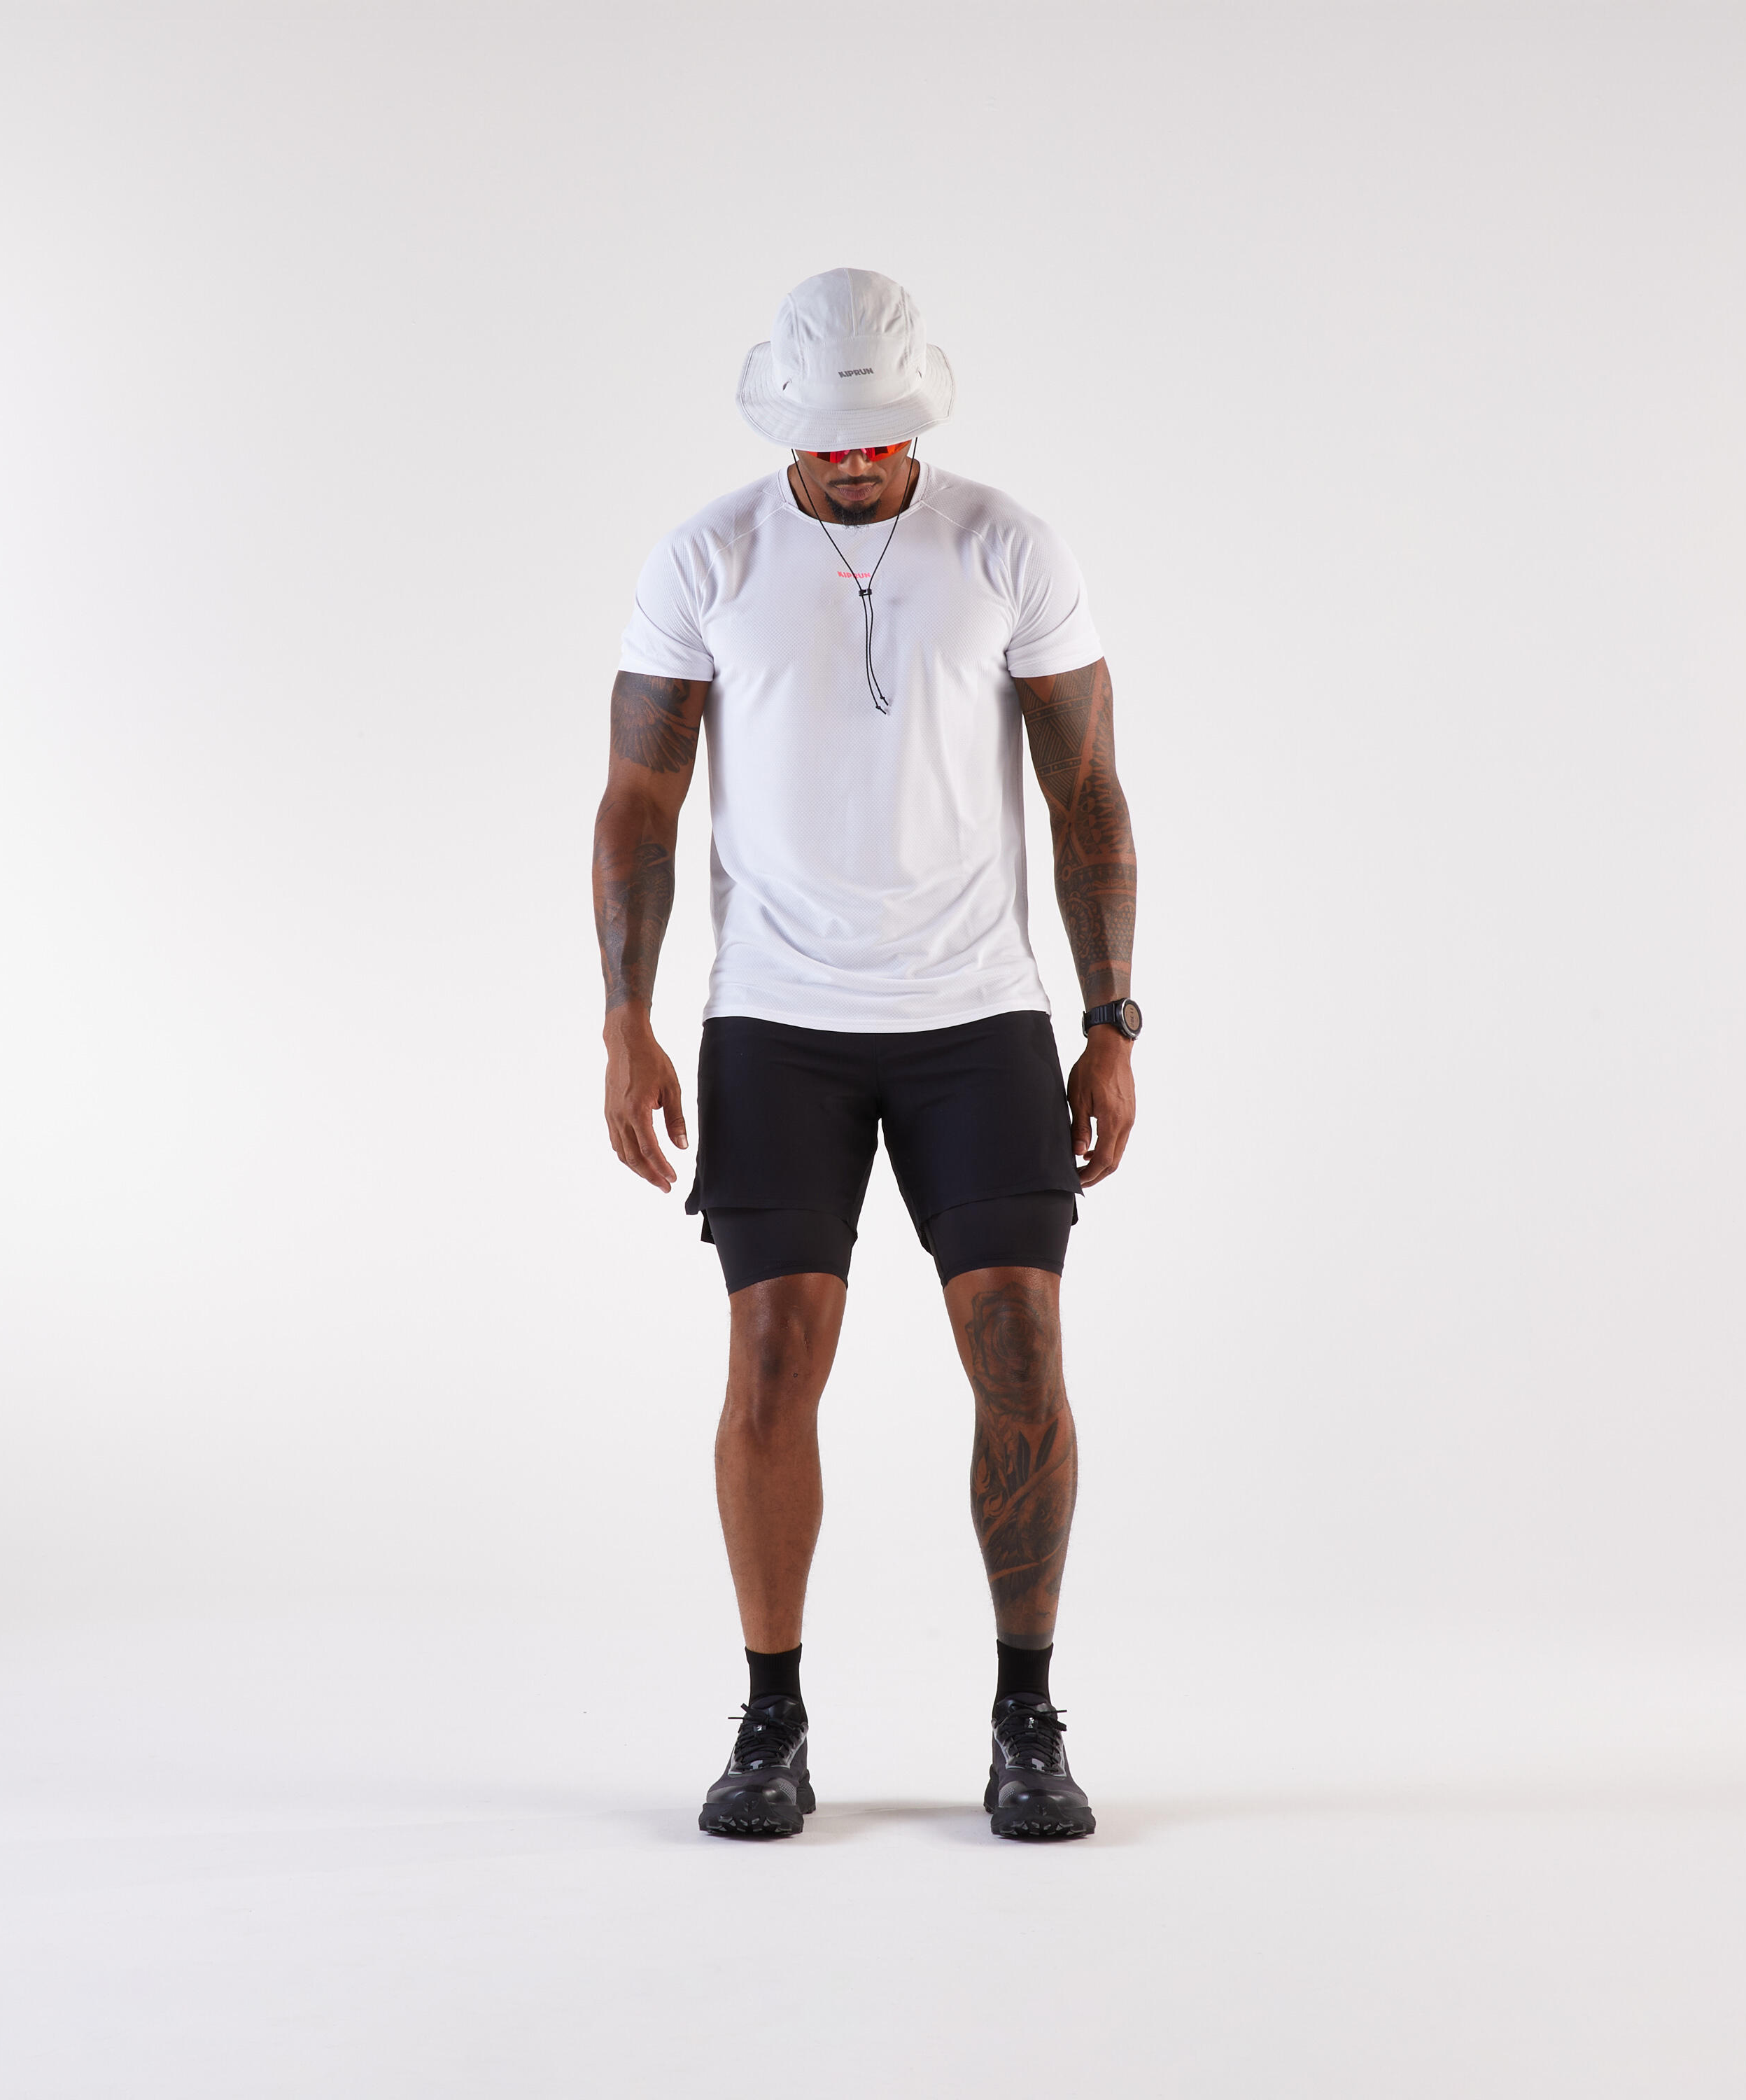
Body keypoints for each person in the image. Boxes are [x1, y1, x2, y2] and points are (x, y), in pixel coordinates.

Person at [591, 268, 1141, 1841]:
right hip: (777, 1017)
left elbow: (1088, 795)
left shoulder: (1008, 547)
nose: (852, 459)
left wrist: (1109, 1023)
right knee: (772, 1361)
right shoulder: (707, 556)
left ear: (917, 418)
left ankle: (1026, 1719)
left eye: (877, 434)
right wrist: (626, 1018)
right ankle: (771, 1720)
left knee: (1021, 1350)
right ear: (784, 421)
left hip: (977, 1014)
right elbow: (639, 801)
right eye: (827, 436)